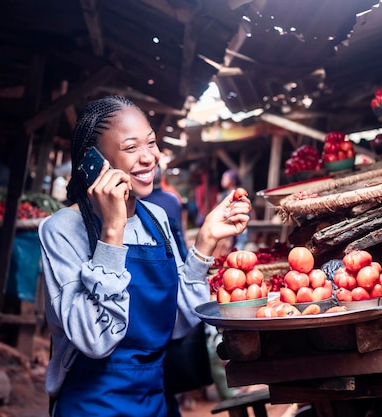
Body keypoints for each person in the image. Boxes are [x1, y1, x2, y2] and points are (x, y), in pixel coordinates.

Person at [38, 95, 252, 417]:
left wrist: (205, 240)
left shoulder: (157, 219)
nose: (148, 157)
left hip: (156, 399)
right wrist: (112, 232)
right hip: (92, 405)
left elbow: (178, 324)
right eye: (130, 147)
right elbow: (95, 341)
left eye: (151, 143)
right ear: (91, 158)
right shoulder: (61, 229)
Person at [142, 166, 187, 261]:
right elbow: (182, 220)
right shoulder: (173, 197)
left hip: (159, 254)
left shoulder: (142, 203)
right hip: (179, 246)